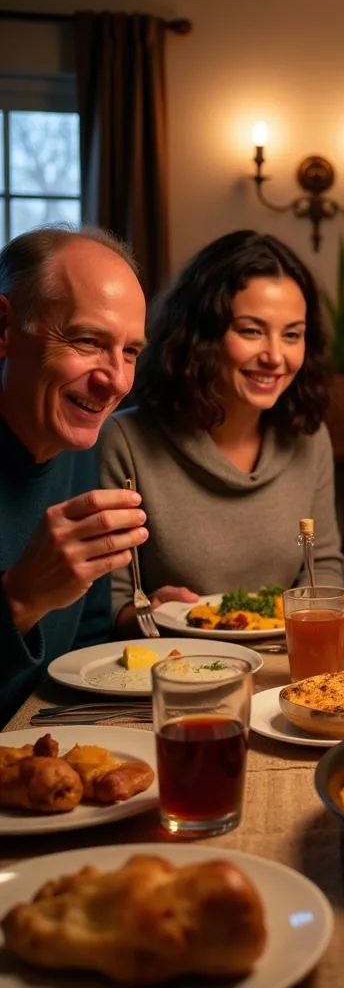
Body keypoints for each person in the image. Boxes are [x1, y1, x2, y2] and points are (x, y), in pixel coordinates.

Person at [99, 230, 343, 622]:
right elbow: (107, 605)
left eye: (292, 335)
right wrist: (146, 613)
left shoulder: (310, 439)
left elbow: (324, 565)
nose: (275, 357)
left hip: (285, 666)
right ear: (202, 334)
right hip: (178, 666)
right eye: (251, 330)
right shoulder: (126, 441)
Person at [0, 227, 149, 722]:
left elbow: (86, 646)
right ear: (4, 328)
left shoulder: (82, 445)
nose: (117, 381)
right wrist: (19, 599)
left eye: (130, 352)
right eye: (87, 340)